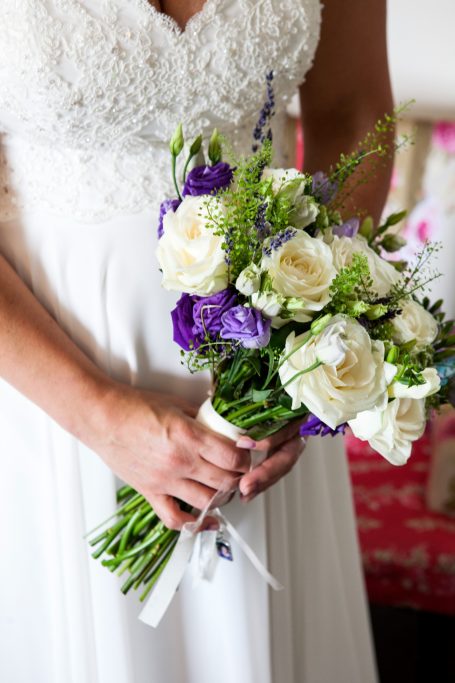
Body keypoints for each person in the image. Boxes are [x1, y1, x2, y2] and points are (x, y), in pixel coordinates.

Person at [0, 1, 392, 681]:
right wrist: (99, 415)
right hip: (45, 389)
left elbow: (352, 111)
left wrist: (295, 362)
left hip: (264, 392)